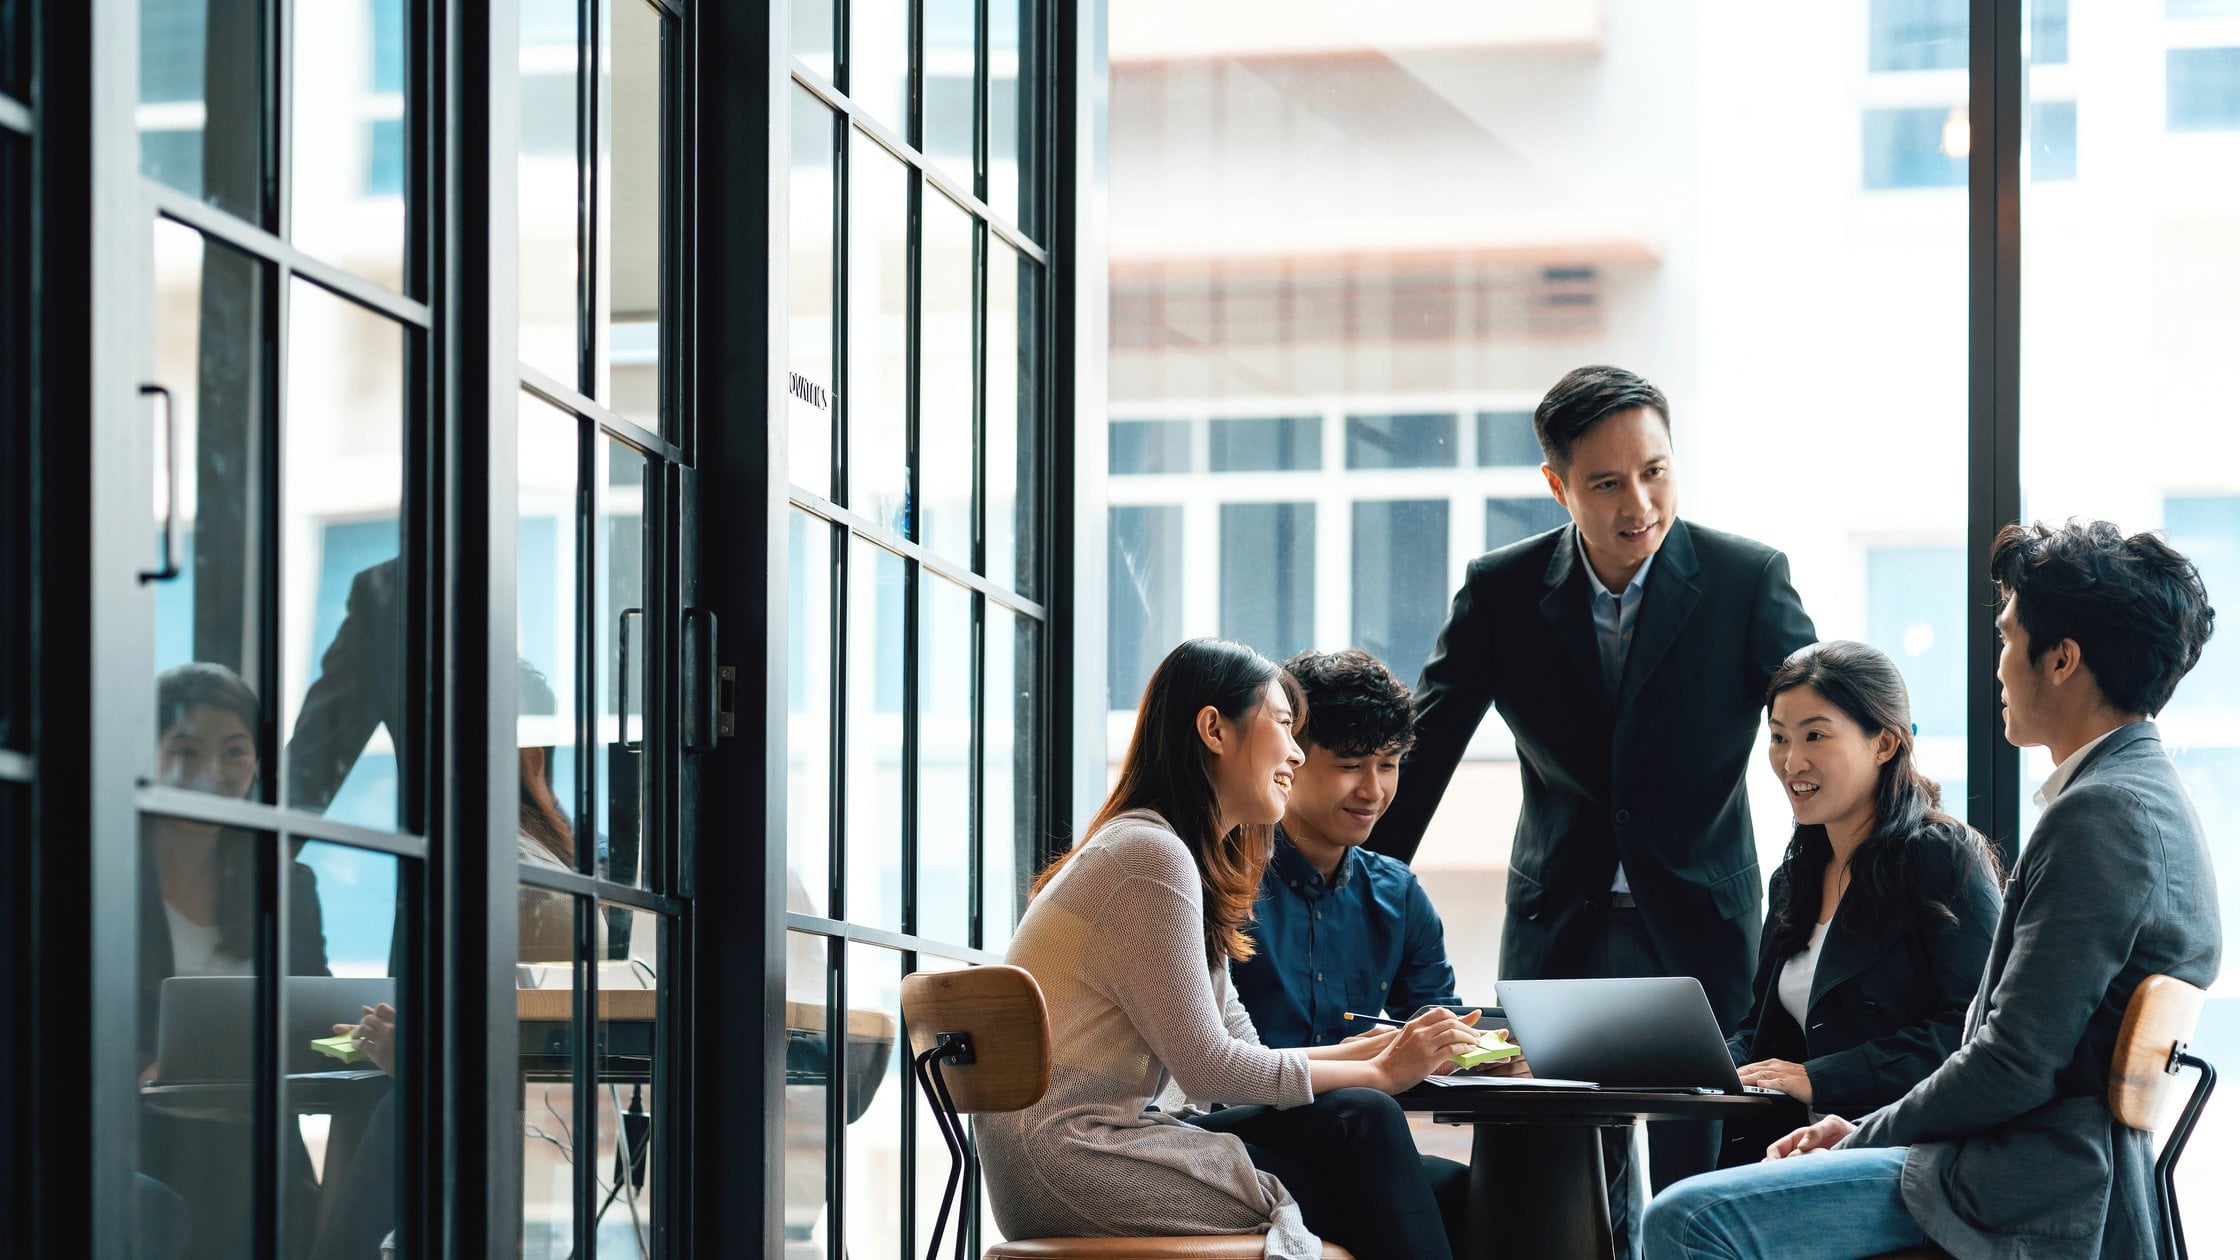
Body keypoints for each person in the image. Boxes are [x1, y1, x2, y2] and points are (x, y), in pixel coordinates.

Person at [1644, 519, 2223, 1260]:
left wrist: (1860, 1134)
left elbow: (2010, 1062)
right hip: (2022, 1162)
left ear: (2063, 660)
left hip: (2020, 1182)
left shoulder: (2101, 815)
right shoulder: (2141, 794)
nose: (1999, 666)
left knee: (1685, 1221)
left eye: (2009, 639)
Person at [1370, 364, 1816, 1238]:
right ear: (1557, 485)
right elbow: (1420, 756)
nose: (1638, 504)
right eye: (1606, 483)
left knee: (1708, 1189)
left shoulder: (1745, 579)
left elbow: (1822, 723)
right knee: (1549, 1193)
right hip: (1559, 926)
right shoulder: (1502, 590)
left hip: (1701, 925)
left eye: (1656, 471)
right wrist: (1346, 889)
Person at [977, 638, 1484, 1260]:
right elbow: (1210, 1070)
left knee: (1381, 1137)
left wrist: (1363, 1053)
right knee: (1370, 1134)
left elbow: (1241, 1051)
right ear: (1214, 730)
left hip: (1111, 1145)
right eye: (1282, 726)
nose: (1296, 753)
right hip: (1081, 1162)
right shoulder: (1148, 857)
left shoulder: (1175, 855)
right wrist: (1379, 1071)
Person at [1221, 648, 1493, 1255]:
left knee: (1484, 1196)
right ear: (1290, 756)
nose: (1372, 790)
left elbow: (1436, 1030)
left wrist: (1485, 1053)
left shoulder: (1397, 894)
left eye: (1389, 765)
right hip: (1235, 1131)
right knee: (1372, 1137)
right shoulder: (1222, 876)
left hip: (1349, 1139)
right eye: (1349, 766)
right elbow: (1209, 1063)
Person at [1715, 641, 1999, 1167]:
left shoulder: (1941, 857)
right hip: (1796, 1150)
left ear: (1885, 744)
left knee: (1679, 1216)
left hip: (1906, 1150)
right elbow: (1763, 1034)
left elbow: (1976, 1031)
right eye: (1778, 738)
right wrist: (1690, 1065)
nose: (1790, 761)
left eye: (1815, 736)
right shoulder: (1794, 877)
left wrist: (1817, 1077)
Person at [139, 663, 330, 1260]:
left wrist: (358, 1037)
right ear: (143, 753)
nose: (211, 774)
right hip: (132, 1136)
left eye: (234, 752)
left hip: (257, 1136)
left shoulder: (284, 883)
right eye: (186, 750)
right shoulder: (93, 871)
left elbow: (318, 1018)